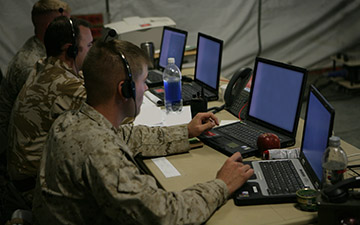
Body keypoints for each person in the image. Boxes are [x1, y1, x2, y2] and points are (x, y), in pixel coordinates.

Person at [32, 39, 254, 224]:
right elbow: (165, 214)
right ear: (125, 89)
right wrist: (221, 184)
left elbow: (130, 136)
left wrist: (185, 131)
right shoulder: (100, 152)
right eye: (142, 82)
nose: (146, 88)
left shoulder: (73, 120)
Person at [6, 16, 93, 206]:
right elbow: (110, 113)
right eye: (89, 46)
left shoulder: (44, 66)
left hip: (22, 179)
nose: (91, 52)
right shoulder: (63, 85)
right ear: (70, 49)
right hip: (35, 188)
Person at [0, 0, 71, 156]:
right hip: (21, 155)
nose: (71, 32)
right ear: (50, 28)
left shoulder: (45, 50)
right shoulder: (31, 64)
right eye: (66, 25)